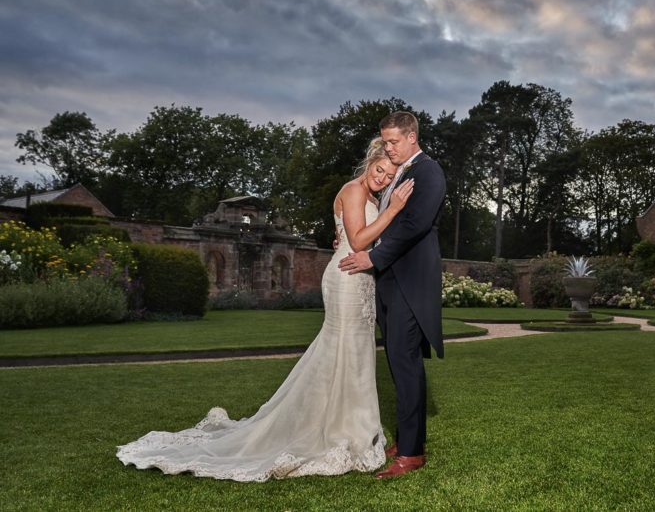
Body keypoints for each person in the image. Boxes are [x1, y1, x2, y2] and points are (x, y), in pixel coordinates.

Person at [116, 138, 414, 482]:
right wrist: (392, 212)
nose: (382, 177)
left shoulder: (374, 197)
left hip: (363, 279)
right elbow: (359, 240)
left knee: (355, 352)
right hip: (347, 277)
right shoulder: (353, 189)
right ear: (369, 163)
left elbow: (362, 238)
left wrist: (376, 220)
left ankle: (352, 424)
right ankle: (337, 428)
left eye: (389, 174)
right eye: (379, 169)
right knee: (342, 349)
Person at [340, 111, 446, 480]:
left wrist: (374, 256)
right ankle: (405, 439)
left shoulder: (428, 171)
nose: (388, 148)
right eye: (384, 142)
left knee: (406, 364)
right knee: (399, 364)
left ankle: (412, 454)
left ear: (412, 137)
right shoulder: (399, 173)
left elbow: (416, 226)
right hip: (390, 281)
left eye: (394, 142)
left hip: (410, 283)